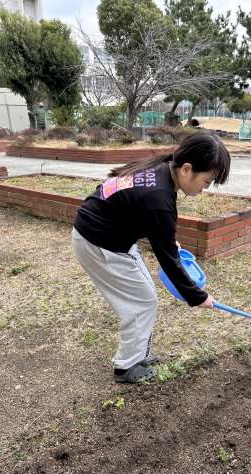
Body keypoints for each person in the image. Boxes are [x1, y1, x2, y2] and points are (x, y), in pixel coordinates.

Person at [72, 133, 231, 383]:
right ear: (187, 169)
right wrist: (198, 297)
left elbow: (138, 210)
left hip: (110, 236)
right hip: (99, 242)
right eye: (206, 181)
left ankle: (137, 355)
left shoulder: (162, 169)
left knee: (146, 296)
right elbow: (169, 261)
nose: (205, 189)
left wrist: (166, 239)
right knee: (142, 302)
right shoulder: (158, 196)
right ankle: (126, 367)